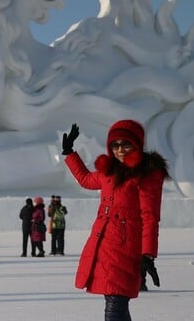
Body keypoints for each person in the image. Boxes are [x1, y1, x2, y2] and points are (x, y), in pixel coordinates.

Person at [61, 120, 168, 321]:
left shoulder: (147, 174)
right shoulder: (108, 171)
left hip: (126, 247)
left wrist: (148, 254)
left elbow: (150, 216)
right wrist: (69, 153)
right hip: (103, 245)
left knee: (115, 305)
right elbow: (86, 180)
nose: (120, 150)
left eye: (125, 144)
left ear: (137, 145)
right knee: (114, 301)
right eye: (115, 145)